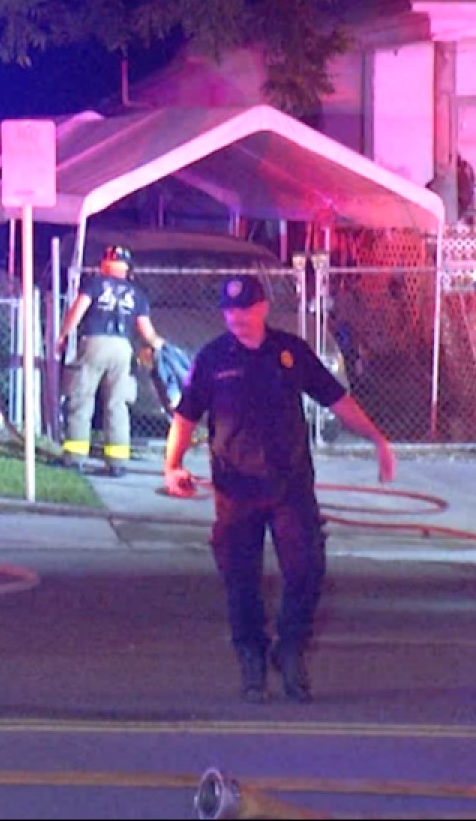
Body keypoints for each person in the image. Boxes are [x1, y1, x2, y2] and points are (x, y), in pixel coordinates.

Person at [164, 273, 396, 704]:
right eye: (228, 309)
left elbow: (337, 400)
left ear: (262, 307)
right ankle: (250, 658)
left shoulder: (290, 352)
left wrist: (377, 439)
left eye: (244, 307)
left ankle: (289, 649)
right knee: (241, 581)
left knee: (306, 570)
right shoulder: (213, 358)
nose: (235, 316)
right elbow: (185, 416)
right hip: (236, 490)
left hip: (290, 487)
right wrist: (172, 465)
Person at [55, 245, 169, 477]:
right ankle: (117, 462)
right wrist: (164, 348)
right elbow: (147, 332)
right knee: (117, 404)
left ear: (104, 264)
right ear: (127, 268)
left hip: (94, 343)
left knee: (81, 399)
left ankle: (75, 458)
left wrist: (63, 335)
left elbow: (77, 311)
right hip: (122, 349)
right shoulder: (137, 293)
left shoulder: (95, 284)